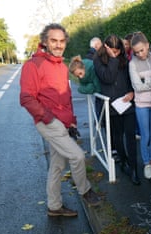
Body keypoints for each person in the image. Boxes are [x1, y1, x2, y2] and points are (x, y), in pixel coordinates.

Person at [20, 23, 102, 217]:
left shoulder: (62, 66)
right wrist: (48, 118)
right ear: (45, 42)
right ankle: (85, 190)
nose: (58, 45)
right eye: (53, 40)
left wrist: (72, 120)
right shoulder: (33, 65)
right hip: (48, 122)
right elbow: (26, 98)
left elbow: (66, 97)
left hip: (63, 122)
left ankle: (54, 206)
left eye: (61, 41)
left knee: (57, 166)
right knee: (77, 156)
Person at [93, 34, 140, 185]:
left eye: (118, 50)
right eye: (112, 50)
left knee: (130, 136)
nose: (116, 53)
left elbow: (128, 77)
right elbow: (108, 77)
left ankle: (134, 169)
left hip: (126, 103)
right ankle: (124, 162)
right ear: (105, 48)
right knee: (117, 137)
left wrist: (132, 91)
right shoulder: (98, 60)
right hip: (112, 105)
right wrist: (112, 58)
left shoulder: (123, 58)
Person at [129, 32, 151, 180]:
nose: (140, 54)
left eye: (142, 50)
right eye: (136, 52)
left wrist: (145, 79)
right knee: (145, 135)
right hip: (141, 104)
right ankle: (146, 164)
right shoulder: (132, 63)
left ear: (148, 45)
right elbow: (137, 86)